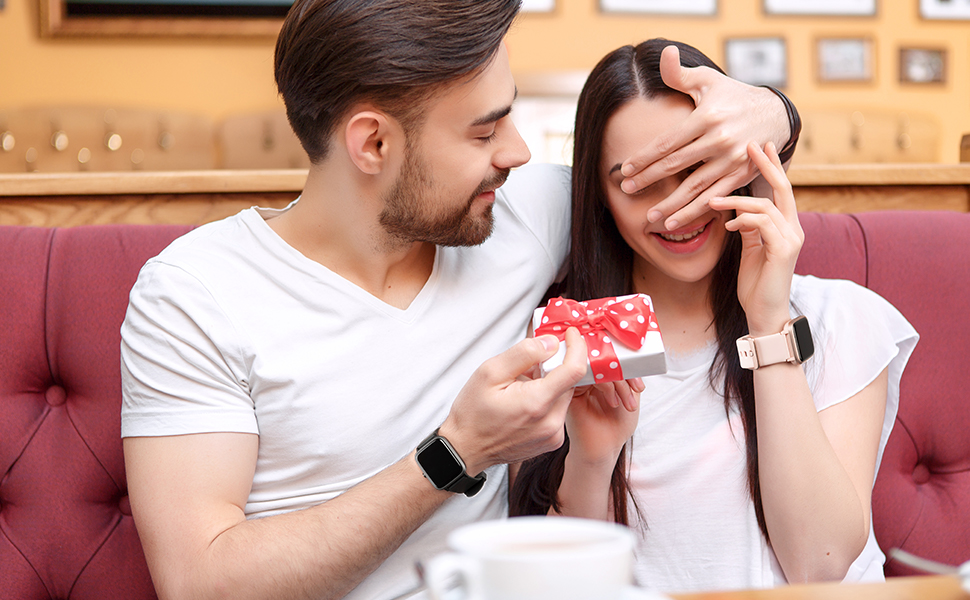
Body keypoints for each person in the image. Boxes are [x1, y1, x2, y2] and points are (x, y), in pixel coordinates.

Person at [119, 2, 798, 598]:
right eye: (484, 131)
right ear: (372, 143)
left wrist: (774, 112)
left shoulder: (520, 215)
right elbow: (199, 582)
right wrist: (456, 453)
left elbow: (657, 189)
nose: (520, 151)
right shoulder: (195, 295)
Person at [510, 39, 919, 593]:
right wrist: (591, 459)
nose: (678, 208)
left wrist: (768, 316)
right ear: (598, 196)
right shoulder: (560, 345)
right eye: (636, 183)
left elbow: (819, 564)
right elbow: (559, 586)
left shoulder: (840, 318)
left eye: (698, 169)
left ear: (744, 162)